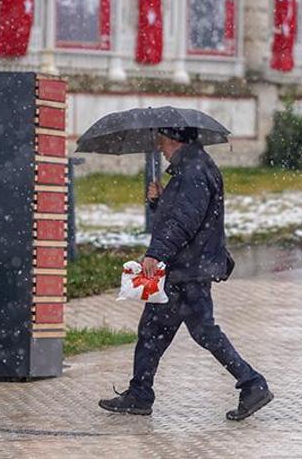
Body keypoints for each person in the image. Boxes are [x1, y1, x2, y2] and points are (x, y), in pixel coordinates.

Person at [98, 127, 273, 421]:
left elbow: (183, 221)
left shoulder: (192, 172)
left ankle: (252, 383)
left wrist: (157, 253)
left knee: (194, 331)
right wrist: (159, 200)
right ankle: (141, 393)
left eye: (162, 141)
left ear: (174, 140)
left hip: (186, 270)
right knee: (158, 331)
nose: (160, 147)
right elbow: (184, 214)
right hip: (188, 268)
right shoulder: (193, 168)